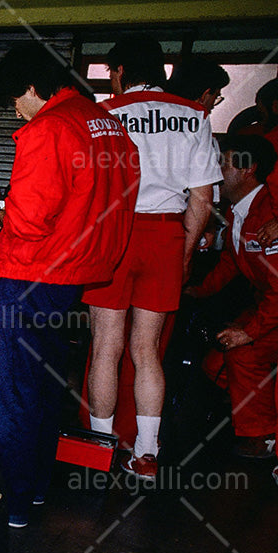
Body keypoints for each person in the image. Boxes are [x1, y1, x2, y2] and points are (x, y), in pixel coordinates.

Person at [0, 42, 138, 527]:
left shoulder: (47, 129)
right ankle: (35, 490)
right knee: (44, 387)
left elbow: (27, 220)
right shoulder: (107, 124)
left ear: (29, 88)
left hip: (30, 274)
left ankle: (7, 503)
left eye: (14, 102)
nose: (16, 113)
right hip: (75, 275)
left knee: (7, 393)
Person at [82, 34, 221, 478]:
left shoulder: (105, 115)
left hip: (116, 234)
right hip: (165, 235)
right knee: (147, 351)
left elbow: (88, 190)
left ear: (121, 72)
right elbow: (203, 198)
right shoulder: (194, 115)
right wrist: (183, 249)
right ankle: (146, 454)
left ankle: (100, 449)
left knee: (106, 347)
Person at [185, 135, 278, 467]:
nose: (216, 170)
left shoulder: (269, 213)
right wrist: (198, 290)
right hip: (267, 304)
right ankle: (258, 412)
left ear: (248, 169)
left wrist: (249, 333)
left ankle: (264, 437)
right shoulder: (239, 210)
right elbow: (230, 262)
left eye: (223, 164)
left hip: (274, 306)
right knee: (214, 367)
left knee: (242, 352)